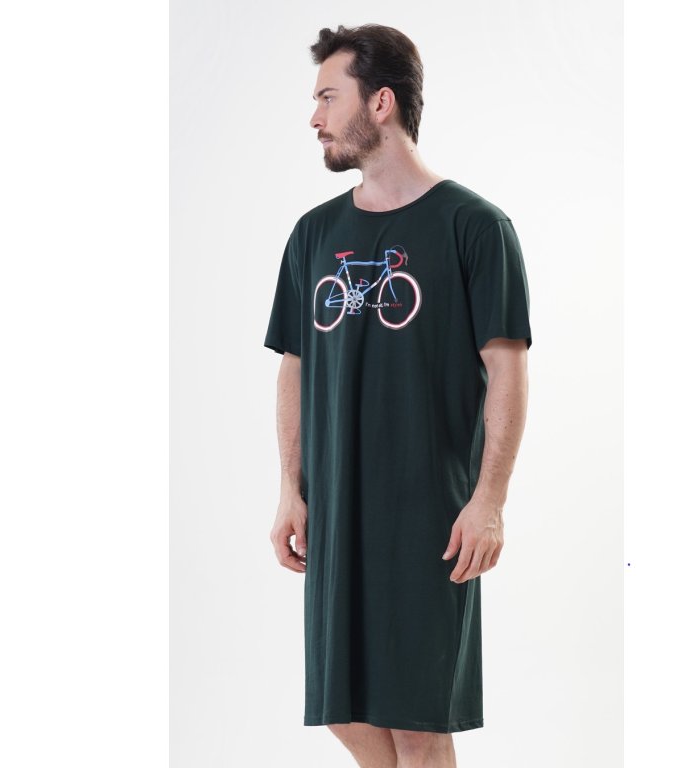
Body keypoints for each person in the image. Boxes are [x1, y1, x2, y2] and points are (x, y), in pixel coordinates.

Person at [265, 23, 531, 768]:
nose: (314, 117)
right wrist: (290, 488)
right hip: (335, 512)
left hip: (428, 518)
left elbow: (507, 371)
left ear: (380, 103)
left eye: (329, 97)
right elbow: (293, 367)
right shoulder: (313, 235)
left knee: (416, 725)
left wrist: (489, 501)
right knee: (345, 712)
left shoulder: (474, 227)